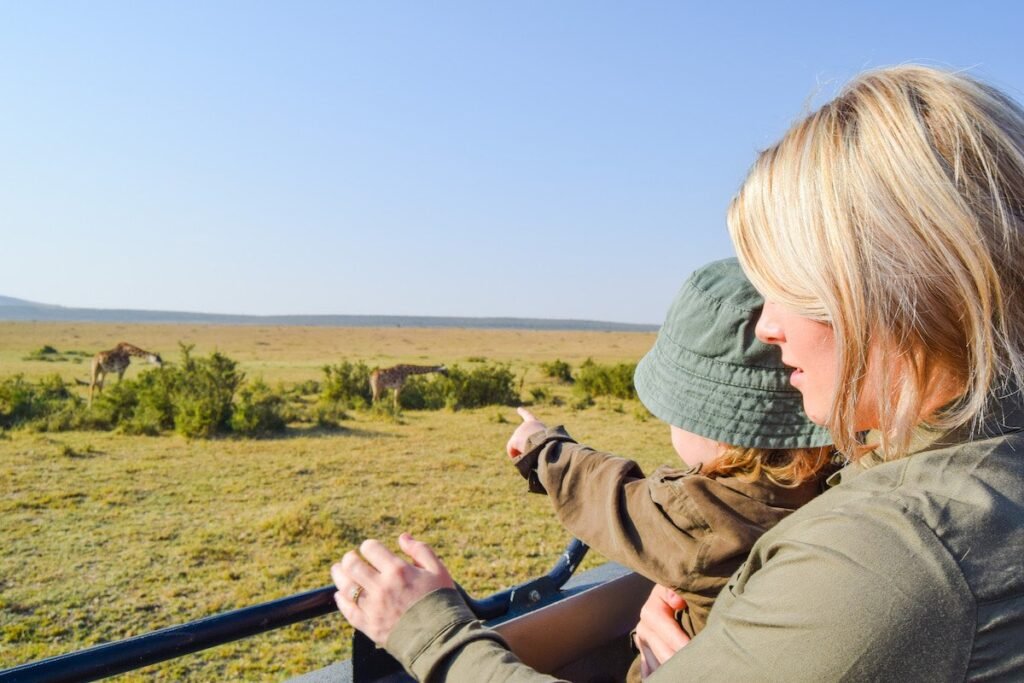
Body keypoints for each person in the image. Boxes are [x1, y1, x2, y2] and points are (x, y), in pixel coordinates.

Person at [330, 64, 1024, 681]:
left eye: (789, 285)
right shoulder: (956, 466)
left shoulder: (889, 558)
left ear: (887, 294)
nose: (766, 325)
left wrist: (432, 632)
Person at [502, 257, 834, 679]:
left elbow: (610, 497)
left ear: (714, 429)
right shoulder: (833, 484)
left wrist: (540, 445)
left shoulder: (701, 516)